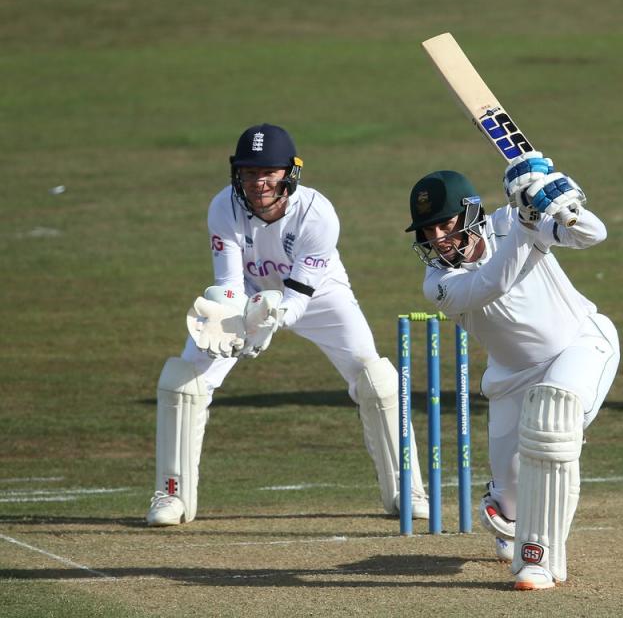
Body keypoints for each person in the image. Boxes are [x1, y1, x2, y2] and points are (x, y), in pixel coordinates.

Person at [146, 123, 430, 526]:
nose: (258, 182)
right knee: (184, 380)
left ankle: (407, 489)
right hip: (247, 292)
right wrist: (240, 317)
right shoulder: (222, 206)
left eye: (268, 172)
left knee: (375, 378)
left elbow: (297, 298)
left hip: (318, 296)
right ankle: (171, 496)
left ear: (289, 174)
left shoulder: (318, 214)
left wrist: (269, 322)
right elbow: (228, 284)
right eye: (248, 172)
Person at [406, 161, 620, 590]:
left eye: (445, 225)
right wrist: (526, 220)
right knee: (510, 504)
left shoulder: (509, 221)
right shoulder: (439, 283)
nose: (438, 239)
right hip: (510, 378)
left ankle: (538, 560)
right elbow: (493, 283)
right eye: (428, 232)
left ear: (470, 213)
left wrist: (560, 202)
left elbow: (593, 234)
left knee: (552, 423)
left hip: (580, 345)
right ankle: (511, 520)